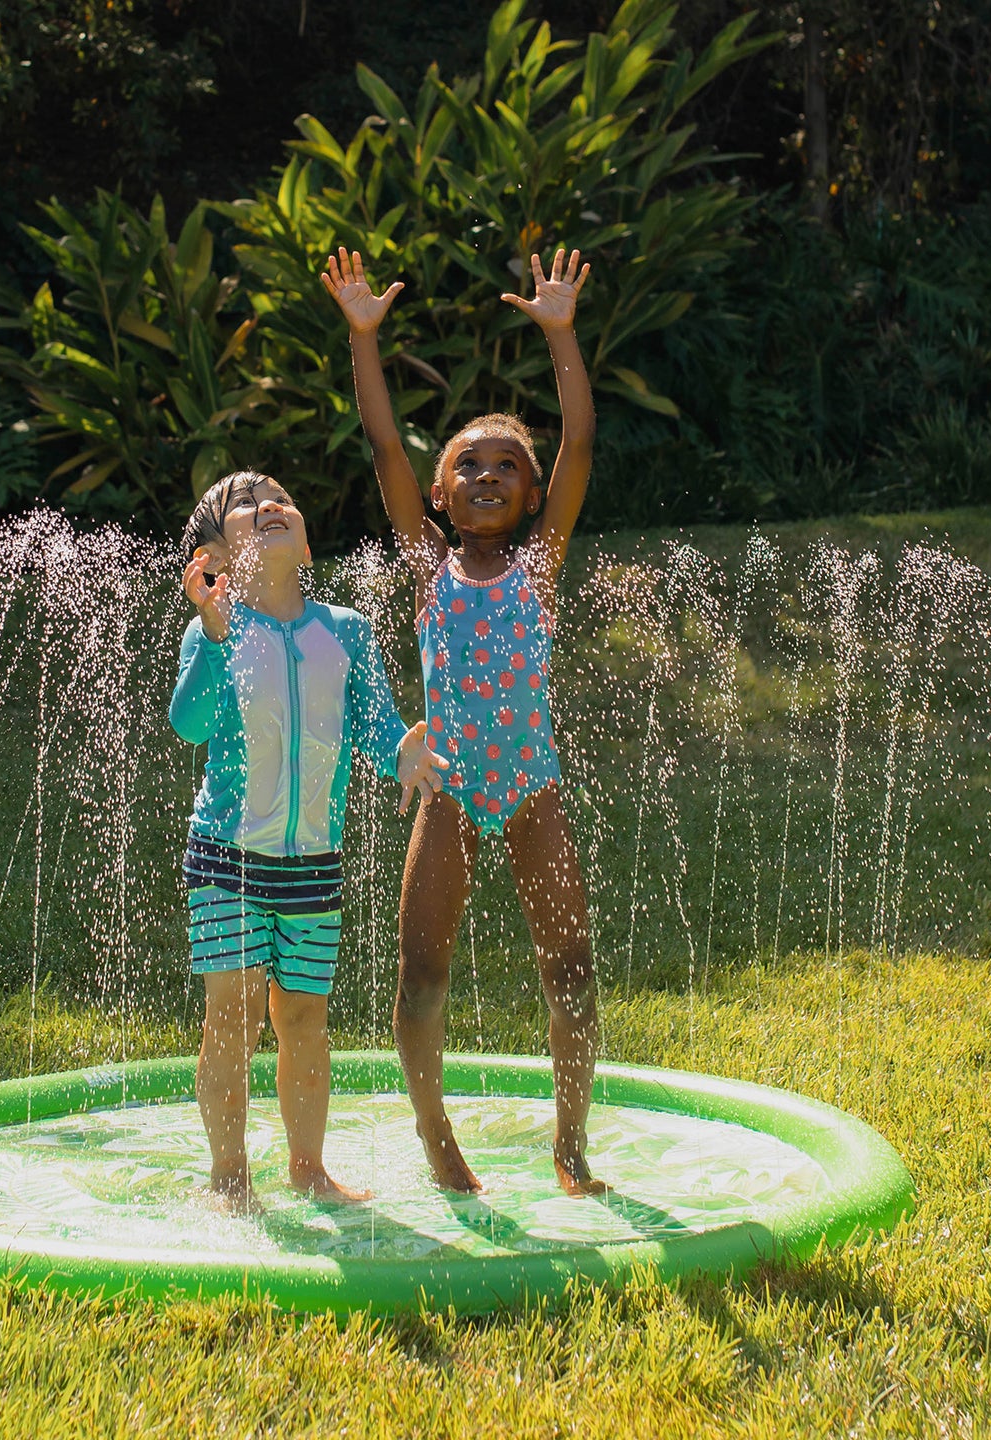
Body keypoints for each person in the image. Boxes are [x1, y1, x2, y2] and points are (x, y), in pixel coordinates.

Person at [321, 245, 603, 1195]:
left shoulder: (542, 566)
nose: (488, 476)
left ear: (529, 496)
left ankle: (570, 1143)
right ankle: (436, 1133)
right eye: (469, 465)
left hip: (532, 791)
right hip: (448, 794)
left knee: (570, 967)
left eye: (508, 468)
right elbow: (385, 446)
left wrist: (561, 335)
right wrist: (366, 341)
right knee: (421, 972)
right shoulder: (425, 569)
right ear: (441, 494)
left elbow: (581, 450)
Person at [169, 470, 448, 1214]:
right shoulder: (216, 632)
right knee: (231, 1014)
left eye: (278, 498)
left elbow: (373, 724)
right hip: (226, 854)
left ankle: (307, 1167)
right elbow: (188, 723)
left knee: (304, 1020)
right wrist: (217, 634)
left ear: (306, 538)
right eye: (243, 504)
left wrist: (404, 753)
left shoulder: (345, 630)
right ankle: (230, 1176)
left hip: (314, 866)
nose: (266, 504)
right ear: (213, 561)